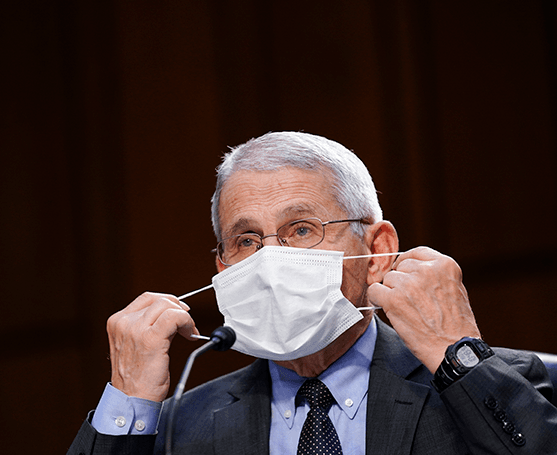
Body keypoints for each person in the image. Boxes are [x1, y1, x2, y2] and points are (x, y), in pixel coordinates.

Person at [68, 131, 557, 455]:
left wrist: (458, 356)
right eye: (247, 241)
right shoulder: (179, 428)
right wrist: (129, 399)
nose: (270, 260)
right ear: (222, 270)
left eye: (301, 230)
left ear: (378, 250)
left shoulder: (490, 384)